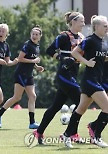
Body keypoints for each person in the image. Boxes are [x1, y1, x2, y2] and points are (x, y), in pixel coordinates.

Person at [30, 11, 85, 145]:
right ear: (73, 22)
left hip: (73, 74)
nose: (83, 24)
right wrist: (62, 58)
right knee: (81, 102)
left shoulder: (83, 37)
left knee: (55, 106)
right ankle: (71, 133)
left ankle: (39, 132)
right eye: (81, 21)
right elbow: (49, 50)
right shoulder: (63, 37)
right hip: (64, 75)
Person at [61, 15, 108, 148]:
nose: (107, 28)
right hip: (90, 80)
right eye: (105, 26)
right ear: (96, 27)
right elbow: (75, 52)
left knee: (80, 109)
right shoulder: (90, 40)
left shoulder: (103, 42)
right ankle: (96, 135)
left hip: (94, 80)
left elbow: (100, 59)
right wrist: (87, 62)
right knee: (107, 107)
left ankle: (66, 135)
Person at [0, 25, 44, 129]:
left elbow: (30, 60)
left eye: (36, 34)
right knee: (17, 97)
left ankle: (32, 122)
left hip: (29, 75)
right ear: (30, 35)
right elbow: (20, 58)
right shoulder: (27, 45)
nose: (34, 36)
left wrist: (36, 67)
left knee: (32, 96)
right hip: (21, 74)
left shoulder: (37, 47)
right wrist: (34, 61)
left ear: (40, 36)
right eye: (33, 34)